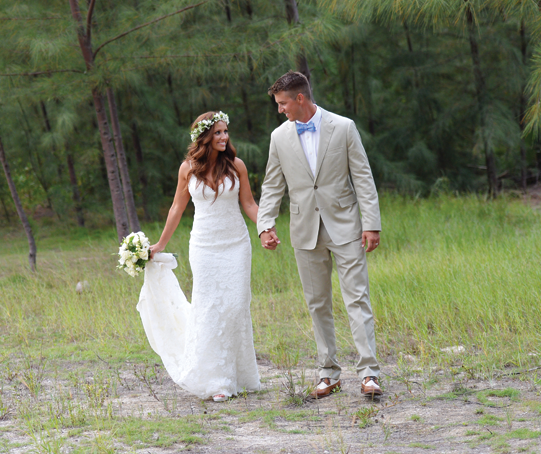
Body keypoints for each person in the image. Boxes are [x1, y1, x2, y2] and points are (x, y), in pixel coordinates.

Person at [257, 71, 383, 399]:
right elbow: (272, 184)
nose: (280, 110)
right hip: (304, 230)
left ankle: (369, 372)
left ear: (300, 98)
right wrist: (265, 224)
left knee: (357, 298)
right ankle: (328, 373)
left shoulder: (343, 128)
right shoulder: (279, 137)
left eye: (283, 103)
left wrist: (371, 223)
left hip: (346, 227)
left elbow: (363, 178)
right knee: (317, 303)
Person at [141, 111, 261, 402]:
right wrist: (159, 244)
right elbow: (176, 209)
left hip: (236, 245)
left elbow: (248, 202)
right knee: (209, 307)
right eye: (218, 133)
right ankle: (216, 380)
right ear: (204, 137)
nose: (224, 137)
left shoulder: (237, 165)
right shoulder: (188, 169)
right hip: (205, 247)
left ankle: (239, 375)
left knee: (235, 305)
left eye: (225, 132)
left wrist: (265, 229)